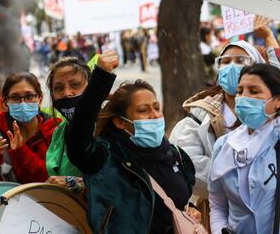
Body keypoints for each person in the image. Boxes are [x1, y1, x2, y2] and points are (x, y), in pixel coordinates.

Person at [64, 51, 197, 233]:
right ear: (120, 122)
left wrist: (191, 212)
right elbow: (78, 138)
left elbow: (181, 201)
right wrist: (101, 79)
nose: (154, 115)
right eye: (143, 110)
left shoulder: (176, 156)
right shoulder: (105, 160)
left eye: (157, 108)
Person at [169, 17, 280, 230]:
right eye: (225, 61)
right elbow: (211, 193)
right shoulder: (198, 119)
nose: (231, 67)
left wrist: (268, 37)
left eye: (241, 61)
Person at [208, 63, 280, 234]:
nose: (243, 97)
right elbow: (217, 205)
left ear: (277, 102)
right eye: (240, 91)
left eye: (254, 92)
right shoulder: (223, 145)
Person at [0, 72, 60, 186]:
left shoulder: (54, 129)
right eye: (15, 97)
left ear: (39, 99)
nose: (23, 103)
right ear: (6, 104)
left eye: (29, 96)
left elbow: (50, 180)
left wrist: (20, 151)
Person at [45, 56, 91, 177]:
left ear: (91, 88)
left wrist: (75, 185)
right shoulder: (59, 131)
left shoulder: (106, 128)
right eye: (58, 88)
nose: (67, 93)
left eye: (75, 85)